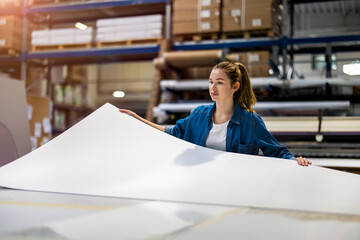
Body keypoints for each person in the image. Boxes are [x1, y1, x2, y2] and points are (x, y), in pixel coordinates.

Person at [120, 61, 312, 166]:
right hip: (200, 183)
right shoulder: (199, 115)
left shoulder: (250, 122)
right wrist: (138, 119)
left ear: (235, 86)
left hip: (234, 187)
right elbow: (173, 131)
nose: (213, 87)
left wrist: (296, 160)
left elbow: (276, 151)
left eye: (219, 82)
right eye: (211, 81)